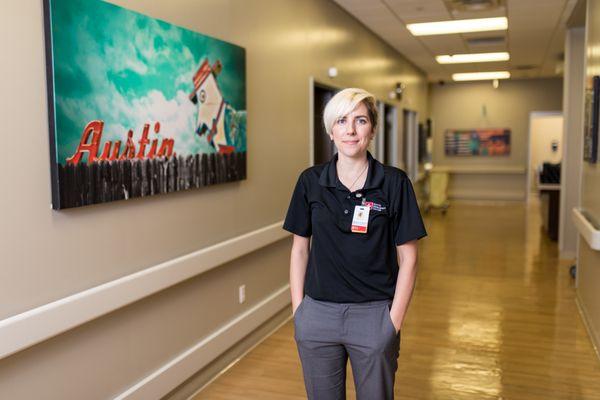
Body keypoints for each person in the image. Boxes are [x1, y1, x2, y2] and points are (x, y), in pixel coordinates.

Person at [283, 87, 427, 400]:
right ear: (330, 130)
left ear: (373, 129)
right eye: (341, 121)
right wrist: (300, 311)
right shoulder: (310, 181)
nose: (350, 130)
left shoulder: (394, 182)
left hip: (374, 315)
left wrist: (393, 323)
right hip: (318, 315)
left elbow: (410, 259)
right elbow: (299, 249)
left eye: (360, 120)